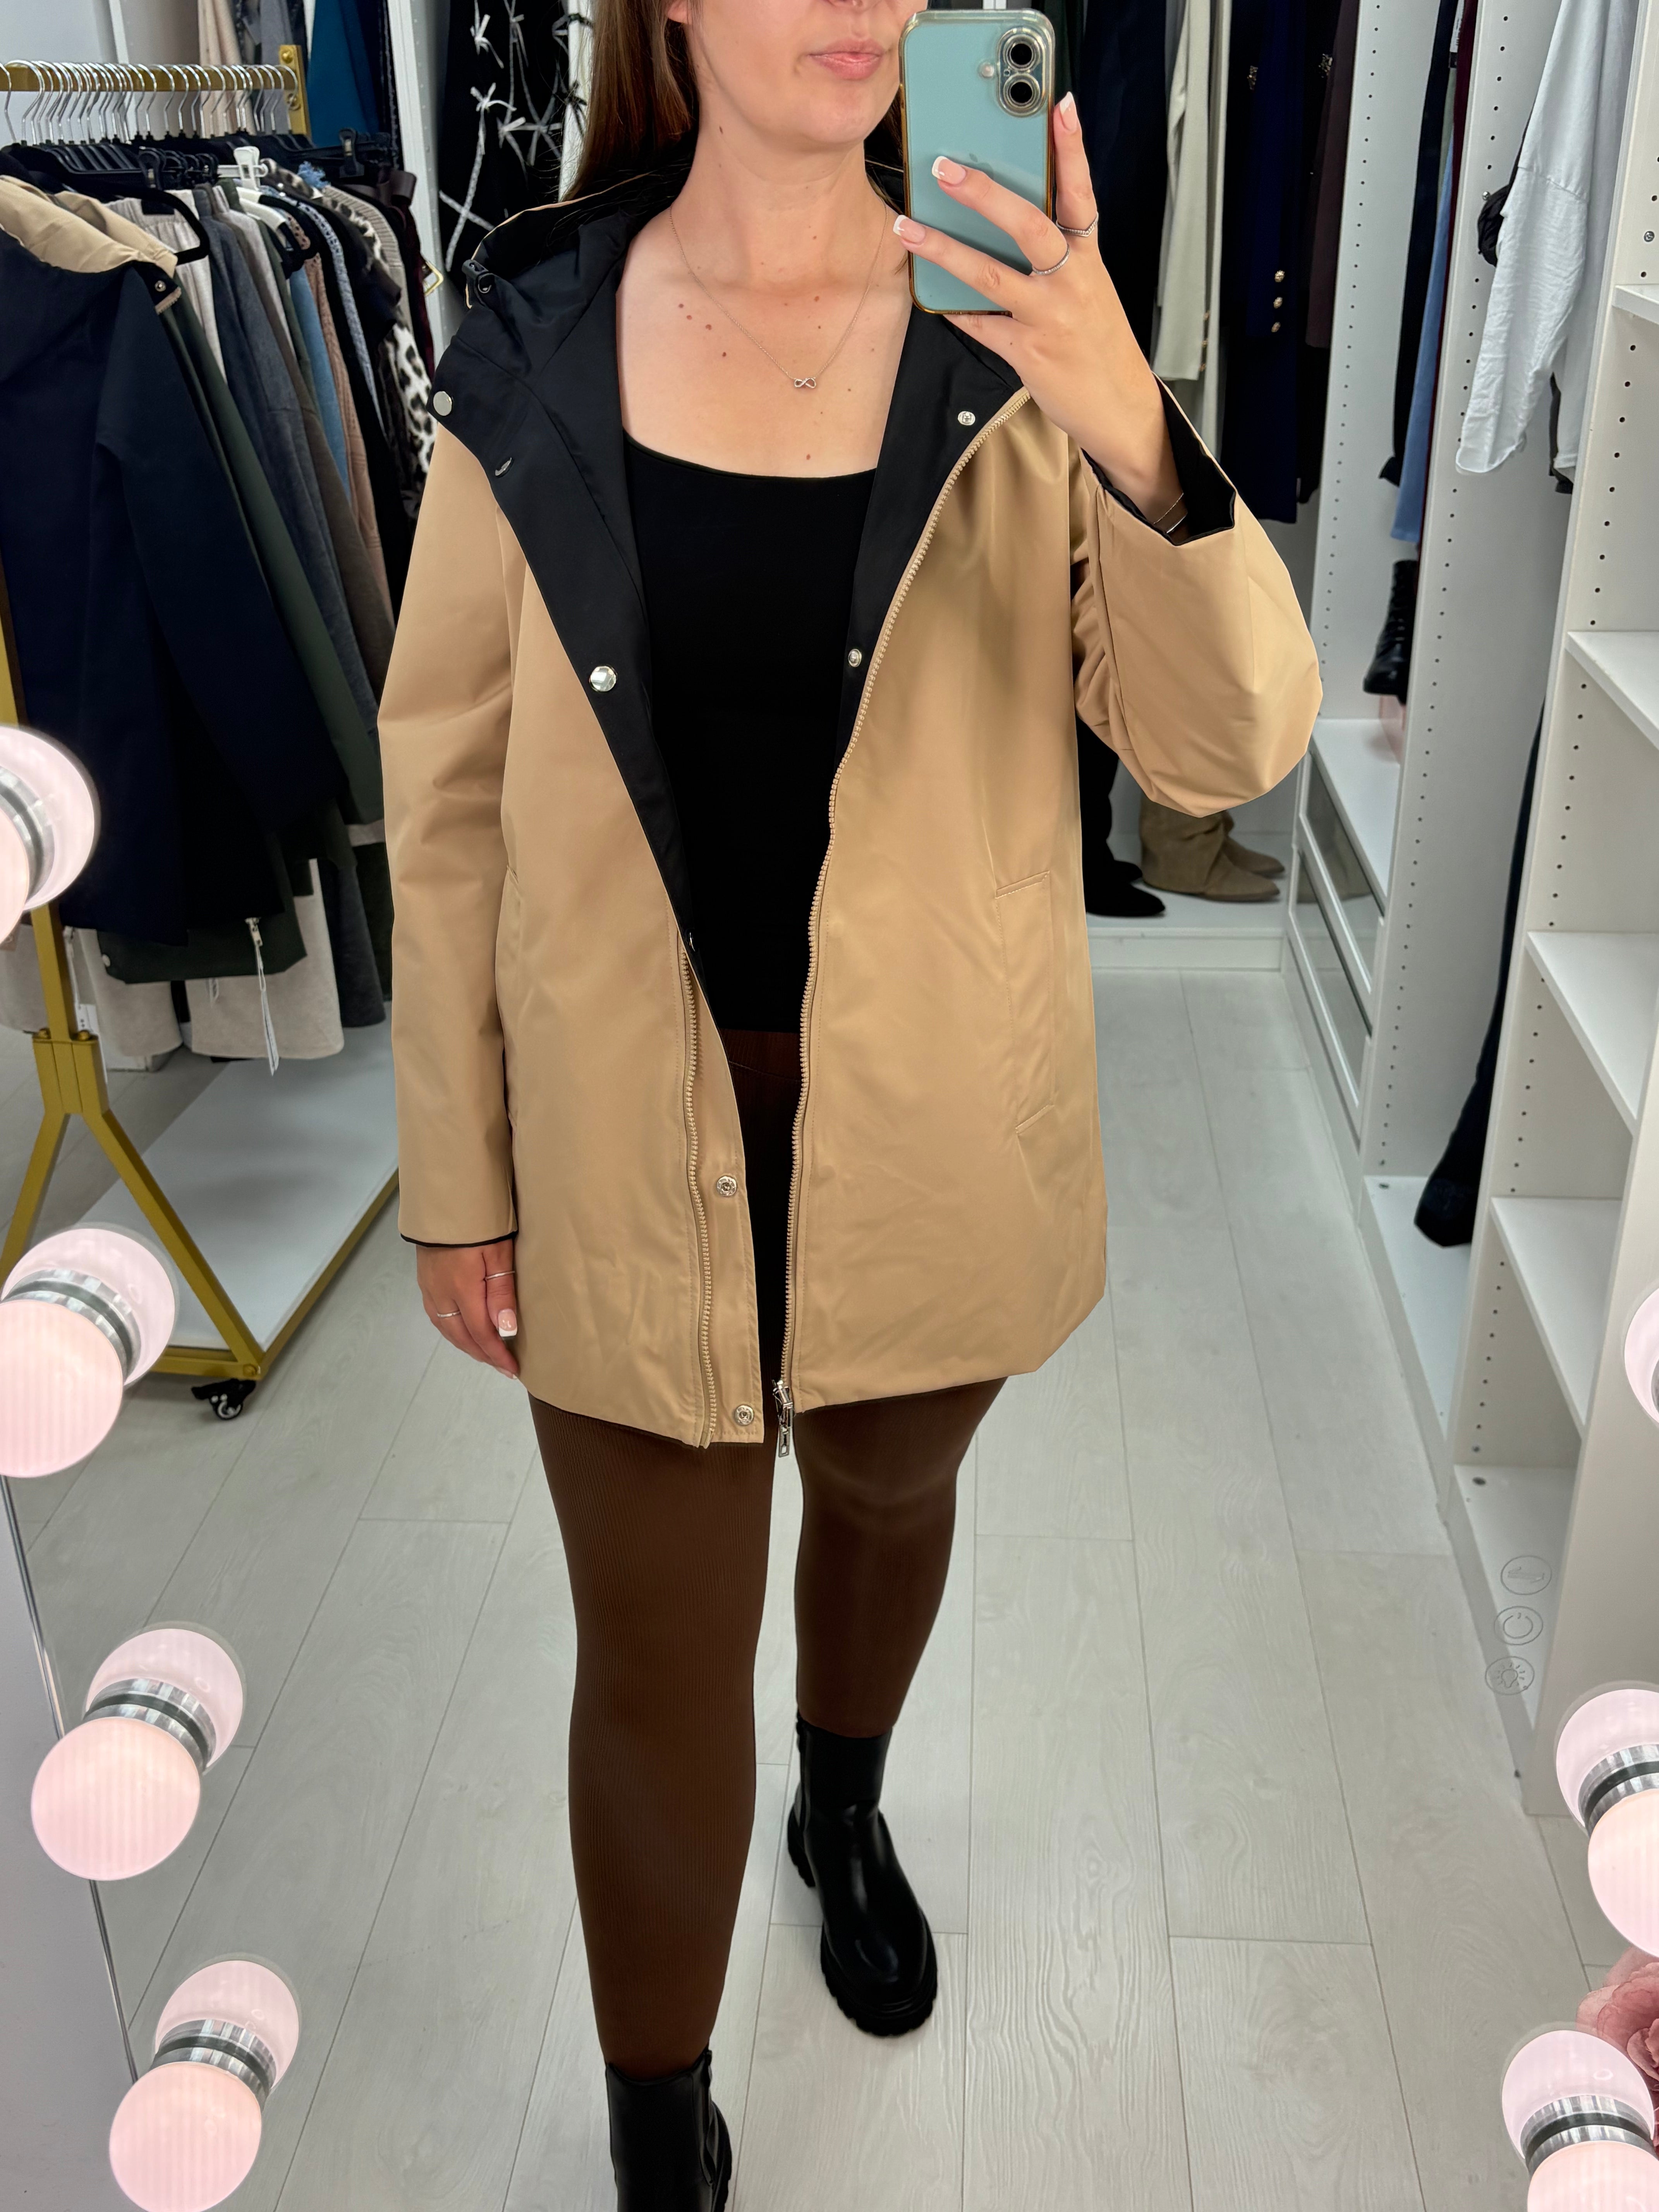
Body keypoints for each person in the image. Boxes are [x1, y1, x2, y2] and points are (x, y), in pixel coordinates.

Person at [380, 0, 1320, 2199]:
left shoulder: (1017, 347)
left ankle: (845, 1796)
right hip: (622, 1140)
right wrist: (454, 1174)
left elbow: (1227, 746)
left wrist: (1120, 401)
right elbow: (446, 791)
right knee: (652, 1654)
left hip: (933, 1126)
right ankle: (657, 2113)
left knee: (892, 1501)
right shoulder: (531, 340)